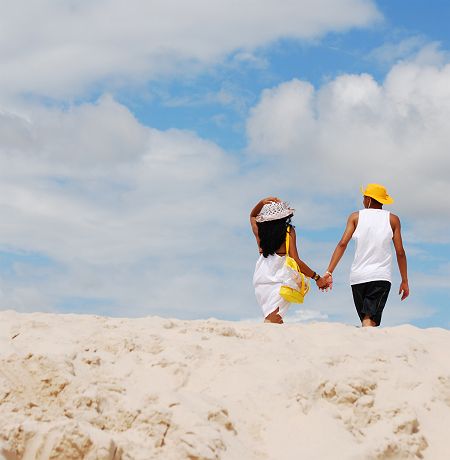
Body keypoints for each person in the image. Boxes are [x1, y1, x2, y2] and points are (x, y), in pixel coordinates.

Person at [324, 184, 409, 327]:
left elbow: (342, 244)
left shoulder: (355, 217)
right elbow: (400, 252)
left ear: (369, 199)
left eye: (364, 197)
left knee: (366, 318)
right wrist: (404, 280)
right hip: (380, 277)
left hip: (358, 277)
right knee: (370, 320)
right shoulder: (393, 219)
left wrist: (329, 271)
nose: (363, 199)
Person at [250, 197, 330, 324]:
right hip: (280, 281)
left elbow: (252, 216)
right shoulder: (288, 231)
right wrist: (317, 278)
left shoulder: (260, 232)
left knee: (274, 317)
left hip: (261, 281)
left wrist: (261, 203)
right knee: (273, 317)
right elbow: (296, 260)